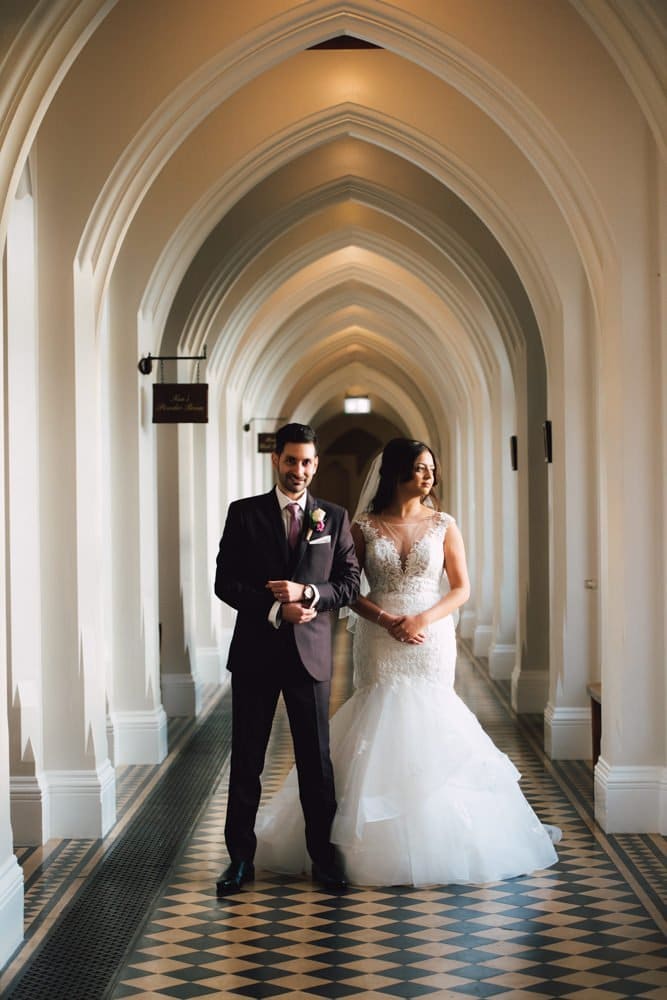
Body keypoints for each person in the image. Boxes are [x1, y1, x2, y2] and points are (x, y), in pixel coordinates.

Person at [255, 437, 560, 886]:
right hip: (379, 638)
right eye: (419, 468)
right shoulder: (363, 526)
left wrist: (422, 618)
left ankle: (441, 838)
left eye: (431, 469)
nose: (428, 476)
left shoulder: (444, 524)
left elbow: (460, 588)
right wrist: (385, 618)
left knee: (433, 717)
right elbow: (346, 589)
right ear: (398, 472)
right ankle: (357, 845)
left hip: (429, 636)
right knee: (376, 716)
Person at [214, 422, 360, 895]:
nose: (300, 470)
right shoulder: (244, 514)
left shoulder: (333, 518)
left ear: (316, 464)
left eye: (308, 462)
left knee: (316, 763)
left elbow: (351, 582)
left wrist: (310, 593)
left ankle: (323, 857)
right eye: (292, 460)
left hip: (311, 658)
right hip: (256, 654)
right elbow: (225, 583)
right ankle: (239, 860)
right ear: (276, 460)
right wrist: (277, 607)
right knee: (247, 762)